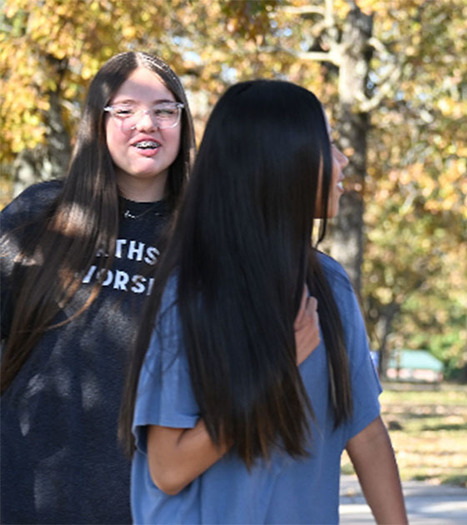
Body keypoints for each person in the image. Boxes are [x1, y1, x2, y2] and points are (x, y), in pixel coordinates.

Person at [118, 79, 407, 524]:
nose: (343, 159)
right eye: (327, 144)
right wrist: (274, 371)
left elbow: (365, 430)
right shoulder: (190, 296)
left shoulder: (330, 285)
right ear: (278, 162)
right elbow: (168, 468)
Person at [0, 51, 194, 523]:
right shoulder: (40, 214)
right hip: (28, 496)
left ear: (183, 123)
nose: (146, 123)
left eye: (164, 110)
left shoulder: (206, 233)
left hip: (156, 501)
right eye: (125, 110)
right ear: (97, 122)